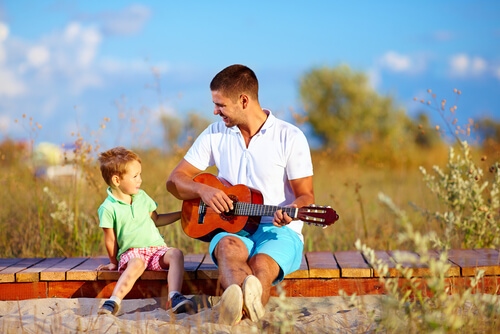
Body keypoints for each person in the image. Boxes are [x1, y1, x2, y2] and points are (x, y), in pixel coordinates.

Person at [166, 64, 315, 325]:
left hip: (278, 230)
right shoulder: (214, 133)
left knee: (261, 265)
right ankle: (240, 306)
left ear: (243, 100)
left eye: (220, 105)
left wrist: (291, 211)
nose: (215, 111)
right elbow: (174, 181)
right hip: (232, 230)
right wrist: (203, 190)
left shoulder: (290, 137)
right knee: (226, 246)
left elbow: (306, 196)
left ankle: (236, 308)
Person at [96, 146, 194, 315]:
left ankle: (175, 296)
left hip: (156, 250)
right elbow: (110, 239)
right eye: (135, 176)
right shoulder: (108, 208)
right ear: (117, 180)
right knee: (137, 264)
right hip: (132, 253)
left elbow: (156, 219)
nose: (140, 180)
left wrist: (181, 214)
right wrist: (113, 262)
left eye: (139, 174)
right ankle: (114, 301)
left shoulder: (142, 197)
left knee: (176, 254)